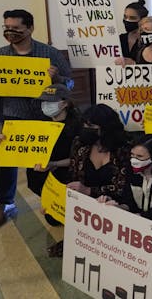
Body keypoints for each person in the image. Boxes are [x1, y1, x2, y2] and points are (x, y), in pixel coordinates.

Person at [0, 9, 72, 230]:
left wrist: (58, 78)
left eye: (16, 29)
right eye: (6, 28)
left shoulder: (50, 53)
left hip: (45, 115)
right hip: (14, 115)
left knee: (45, 161)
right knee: (6, 161)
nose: (10, 32)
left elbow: (70, 84)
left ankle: (53, 200)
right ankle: (4, 204)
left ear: (30, 28)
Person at [47, 104, 130, 257]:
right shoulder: (80, 144)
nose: (85, 128)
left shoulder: (122, 150)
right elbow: (72, 176)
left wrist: (88, 190)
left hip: (114, 203)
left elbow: (121, 188)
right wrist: (52, 201)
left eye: (90, 125)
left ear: (105, 128)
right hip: (85, 204)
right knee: (51, 218)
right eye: (84, 124)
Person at [102, 134, 152, 239]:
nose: (134, 160)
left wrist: (136, 218)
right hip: (137, 230)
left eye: (139, 157)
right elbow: (128, 202)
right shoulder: (130, 171)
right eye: (132, 155)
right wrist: (118, 207)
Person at [25, 84, 83, 199]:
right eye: (43, 101)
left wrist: (54, 164)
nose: (45, 105)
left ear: (65, 103)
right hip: (41, 178)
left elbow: (79, 158)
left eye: (50, 101)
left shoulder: (77, 127)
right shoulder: (39, 123)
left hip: (66, 179)